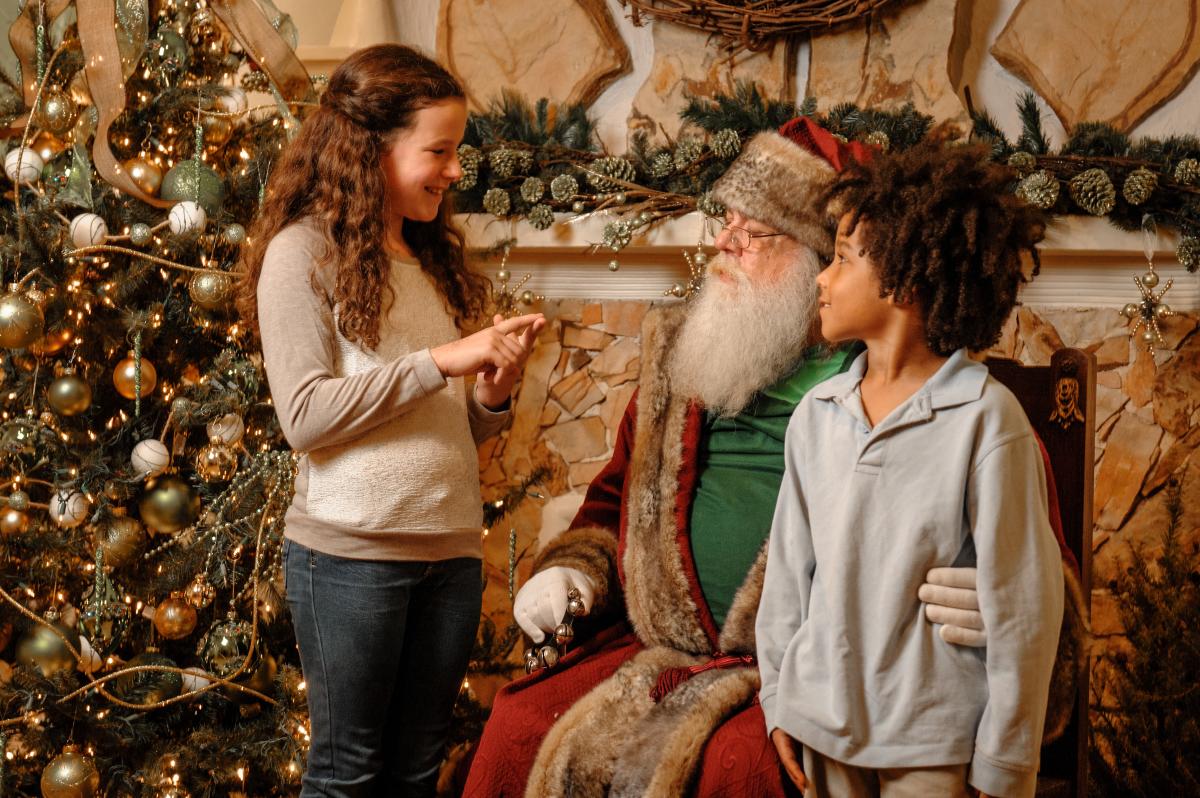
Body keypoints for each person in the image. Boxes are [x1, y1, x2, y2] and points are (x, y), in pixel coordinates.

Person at [461, 118, 1085, 798]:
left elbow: (1034, 565)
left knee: (745, 770)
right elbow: (615, 503)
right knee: (516, 727)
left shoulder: (921, 386)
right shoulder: (689, 358)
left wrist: (1003, 609)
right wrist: (575, 574)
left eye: (753, 233)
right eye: (724, 220)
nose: (724, 244)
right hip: (668, 652)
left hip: (833, 675)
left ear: (818, 258)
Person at [237, 44, 544, 798]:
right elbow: (306, 417)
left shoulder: (421, 257)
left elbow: (442, 431)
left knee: (413, 773)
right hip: (351, 560)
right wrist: (440, 360)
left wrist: (490, 396)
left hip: (449, 556)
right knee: (346, 777)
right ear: (371, 149)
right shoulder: (301, 253)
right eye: (437, 151)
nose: (453, 170)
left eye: (456, 151)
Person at [758, 143, 1063, 798]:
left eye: (842, 260)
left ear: (902, 279)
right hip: (819, 725)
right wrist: (780, 697)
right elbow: (788, 575)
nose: (822, 279)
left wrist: (1005, 763)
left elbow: (1023, 606)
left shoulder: (987, 419)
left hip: (933, 737)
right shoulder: (816, 414)